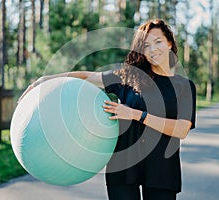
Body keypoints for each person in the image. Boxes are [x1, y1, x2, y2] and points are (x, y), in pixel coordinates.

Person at [18, 19, 196, 200]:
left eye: (158, 42)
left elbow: (181, 129)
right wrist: (46, 79)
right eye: (146, 45)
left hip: (162, 170)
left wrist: (136, 115)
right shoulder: (128, 77)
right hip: (123, 168)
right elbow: (88, 77)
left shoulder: (184, 86)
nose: (153, 49)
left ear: (170, 43)